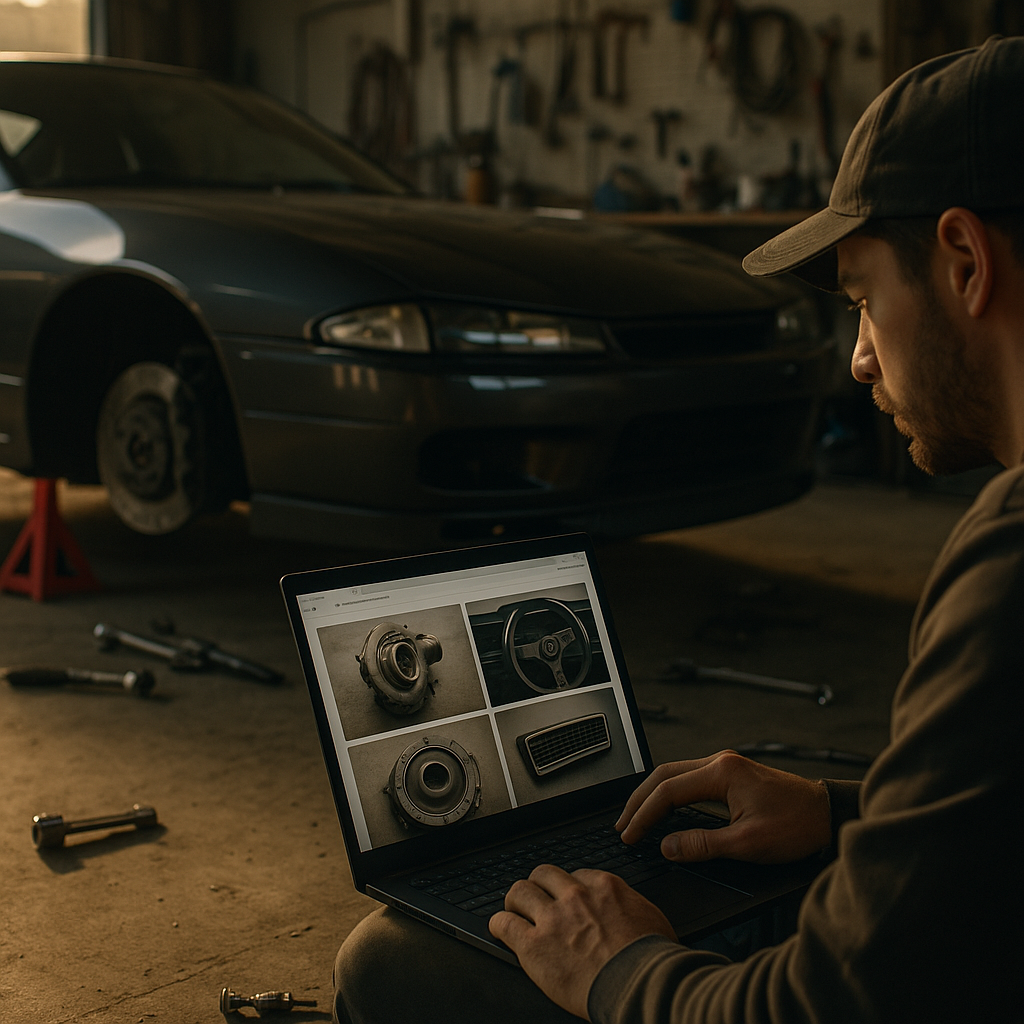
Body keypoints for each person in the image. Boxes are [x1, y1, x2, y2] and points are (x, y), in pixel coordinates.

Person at [333, 37, 1024, 1023]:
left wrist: (618, 965)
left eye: (865, 302)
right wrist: (838, 815)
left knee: (389, 961)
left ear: (961, 260)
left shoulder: (1012, 553)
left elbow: (819, 1009)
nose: (860, 362)